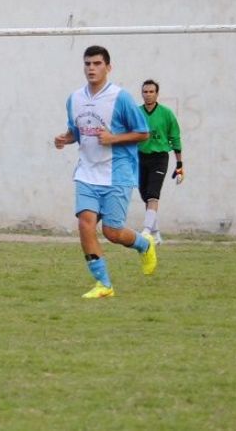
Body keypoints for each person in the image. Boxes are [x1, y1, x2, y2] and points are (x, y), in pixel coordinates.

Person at [54, 45, 157, 299]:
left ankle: (144, 244)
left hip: (117, 174)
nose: (91, 68)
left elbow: (143, 133)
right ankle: (104, 284)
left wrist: (113, 138)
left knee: (112, 232)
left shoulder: (120, 98)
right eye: (88, 64)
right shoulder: (74, 99)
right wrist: (64, 139)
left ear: (108, 67)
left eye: (97, 64)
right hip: (86, 174)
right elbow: (76, 132)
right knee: (85, 224)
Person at [137, 79, 183, 245]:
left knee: (153, 195)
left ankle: (146, 231)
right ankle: (156, 233)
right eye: (145, 92)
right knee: (144, 194)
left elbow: (175, 138)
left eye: (151, 92)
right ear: (142, 93)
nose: (148, 95)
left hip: (159, 158)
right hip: (140, 157)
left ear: (157, 94)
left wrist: (179, 165)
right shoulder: (137, 112)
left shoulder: (166, 113)